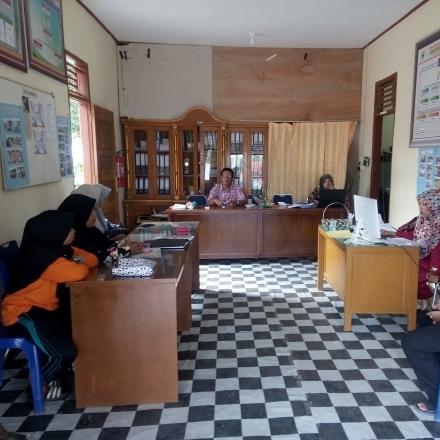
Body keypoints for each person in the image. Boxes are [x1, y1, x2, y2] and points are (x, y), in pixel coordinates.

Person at [1, 210, 98, 400]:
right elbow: (77, 273)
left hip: (44, 310)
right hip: (22, 314)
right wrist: (78, 263)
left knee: (77, 334)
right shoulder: (41, 257)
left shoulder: (56, 249)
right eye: (68, 229)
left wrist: (77, 260)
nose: (73, 231)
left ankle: (57, 377)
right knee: (63, 353)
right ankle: (39, 384)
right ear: (55, 232)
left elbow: (92, 259)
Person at [396, 188, 440, 303]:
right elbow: (415, 236)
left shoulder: (438, 227)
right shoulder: (422, 221)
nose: (420, 207)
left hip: (431, 266)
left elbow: (436, 261)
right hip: (419, 259)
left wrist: (433, 273)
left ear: (434, 206)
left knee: (410, 276)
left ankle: (421, 305)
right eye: (419, 204)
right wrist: (394, 234)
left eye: (424, 204)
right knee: (397, 268)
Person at [58, 193, 113, 262]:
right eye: (90, 212)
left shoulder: (89, 229)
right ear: (79, 215)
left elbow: (109, 244)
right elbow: (98, 257)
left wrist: (124, 245)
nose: (94, 214)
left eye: (94, 210)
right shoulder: (73, 237)